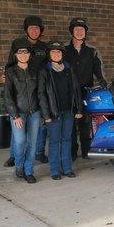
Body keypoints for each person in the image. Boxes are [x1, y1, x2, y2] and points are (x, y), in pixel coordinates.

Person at [3, 15, 49, 168]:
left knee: (39, 128)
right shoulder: (18, 44)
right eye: (31, 28)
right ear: (26, 30)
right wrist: (8, 77)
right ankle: (14, 156)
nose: (34, 30)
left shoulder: (44, 47)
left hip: (37, 88)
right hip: (20, 88)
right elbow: (10, 64)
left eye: (37, 28)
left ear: (40, 30)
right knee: (18, 133)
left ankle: (39, 152)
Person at [38, 41, 83, 180]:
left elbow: (76, 90)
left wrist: (79, 108)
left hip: (68, 111)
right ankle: (54, 170)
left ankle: (67, 168)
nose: (56, 54)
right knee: (54, 141)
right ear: (49, 54)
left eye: (59, 52)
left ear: (62, 54)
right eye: (53, 52)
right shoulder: (44, 71)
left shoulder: (69, 69)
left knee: (67, 139)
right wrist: (46, 115)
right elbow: (41, 94)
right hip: (53, 112)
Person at [64, 17, 107, 160]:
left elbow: (98, 69)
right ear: (72, 31)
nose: (79, 32)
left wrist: (102, 81)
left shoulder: (92, 51)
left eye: (82, 29)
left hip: (86, 91)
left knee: (85, 122)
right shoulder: (63, 50)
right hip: (68, 92)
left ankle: (86, 150)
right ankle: (71, 152)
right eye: (76, 29)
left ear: (85, 32)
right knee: (69, 122)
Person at [3, 38, 40, 184]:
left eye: (26, 52)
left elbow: (40, 93)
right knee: (20, 141)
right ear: (16, 55)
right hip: (18, 113)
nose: (23, 54)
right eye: (20, 52)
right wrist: (15, 115)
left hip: (35, 113)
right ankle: (19, 166)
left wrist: (43, 112)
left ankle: (29, 170)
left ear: (30, 55)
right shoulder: (10, 72)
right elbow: (7, 96)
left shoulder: (35, 71)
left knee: (32, 143)